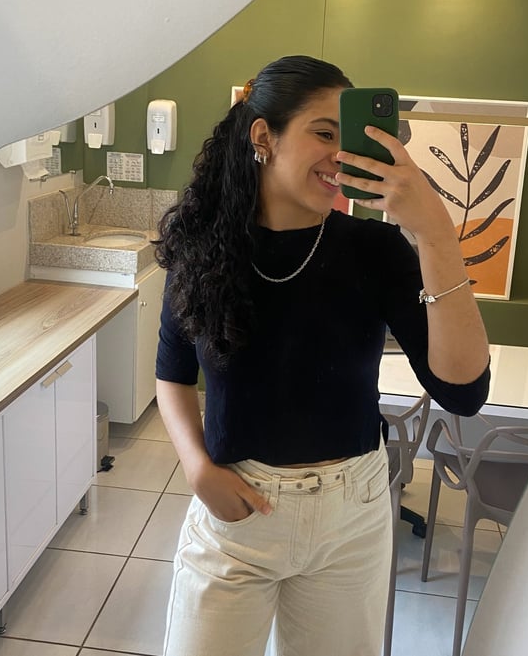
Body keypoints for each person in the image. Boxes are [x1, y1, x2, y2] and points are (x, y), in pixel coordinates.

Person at [153, 55, 490, 656]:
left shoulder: (376, 250)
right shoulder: (203, 251)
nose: (340, 154)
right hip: (235, 517)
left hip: (350, 519)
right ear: (264, 136)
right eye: (324, 133)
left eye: (348, 137)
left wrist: (435, 233)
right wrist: (197, 468)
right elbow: (172, 377)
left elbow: (463, 391)